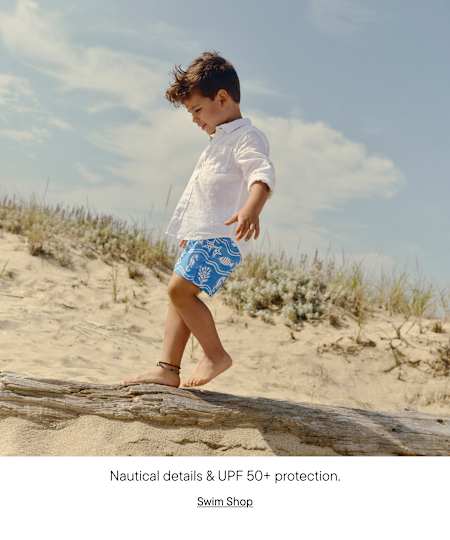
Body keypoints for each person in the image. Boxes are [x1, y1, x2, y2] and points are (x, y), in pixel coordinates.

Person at [122, 50, 276, 388]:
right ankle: (167, 369)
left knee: (180, 292)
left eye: (196, 110)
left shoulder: (246, 138)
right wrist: (188, 230)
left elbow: (261, 173)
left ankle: (215, 354)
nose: (194, 119)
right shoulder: (216, 142)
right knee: (178, 299)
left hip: (221, 237)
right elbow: (204, 193)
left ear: (221, 98)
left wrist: (252, 207)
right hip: (200, 236)